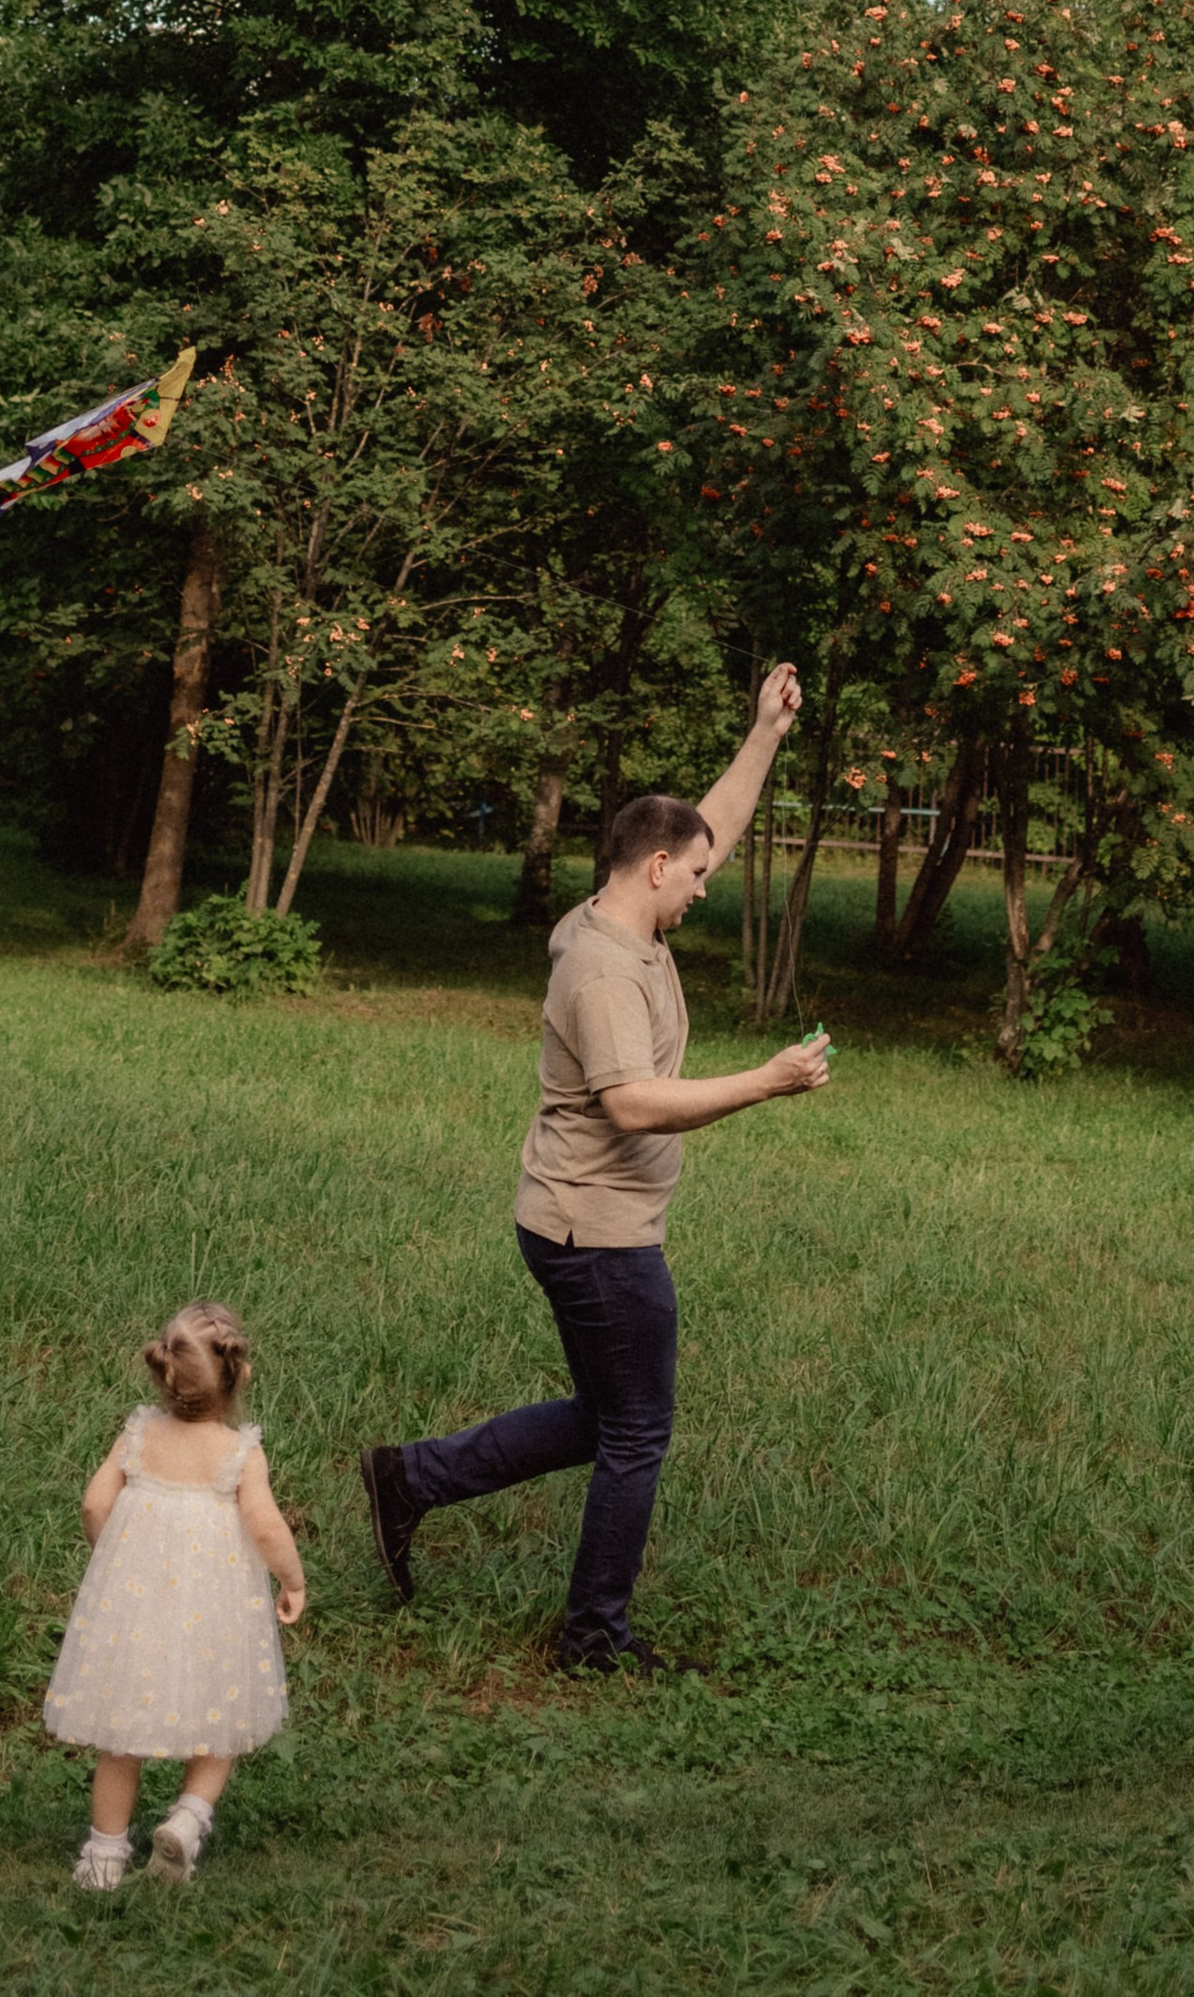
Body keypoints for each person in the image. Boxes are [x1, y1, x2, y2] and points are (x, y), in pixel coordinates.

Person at [358, 664, 830, 1675]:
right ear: (656, 868)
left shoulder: (614, 910)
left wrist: (763, 735)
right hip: (598, 1236)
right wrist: (769, 1079)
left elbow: (712, 824)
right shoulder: (601, 968)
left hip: (576, 1219)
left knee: (601, 1419)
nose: (706, 886)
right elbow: (631, 1104)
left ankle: (411, 1478)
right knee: (635, 1436)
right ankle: (594, 1639)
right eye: (697, 876)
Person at [45, 1299, 306, 1888]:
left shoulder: (139, 1433)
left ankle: (105, 1855)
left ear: (163, 1372)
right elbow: (265, 1526)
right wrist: (293, 1580)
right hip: (213, 1612)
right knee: (224, 1716)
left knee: (120, 1737)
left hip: (134, 1609)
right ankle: (188, 1820)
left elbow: (93, 1503)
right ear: (238, 1376)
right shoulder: (239, 1451)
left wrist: (109, 1555)